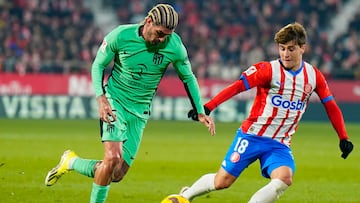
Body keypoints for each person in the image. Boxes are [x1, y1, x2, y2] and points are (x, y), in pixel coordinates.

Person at [44, 4, 215, 203]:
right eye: (160, 33)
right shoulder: (120, 35)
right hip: (114, 101)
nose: (162, 39)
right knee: (112, 158)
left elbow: (188, 77)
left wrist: (200, 111)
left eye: (166, 35)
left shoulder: (174, 46)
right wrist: (101, 98)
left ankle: (71, 161)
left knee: (116, 173)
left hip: (140, 112)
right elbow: (98, 65)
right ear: (148, 21)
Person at [184, 22, 354, 202]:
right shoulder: (268, 70)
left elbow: (331, 106)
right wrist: (207, 107)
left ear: (302, 48)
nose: (285, 54)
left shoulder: (314, 76)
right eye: (282, 49)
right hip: (251, 136)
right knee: (222, 182)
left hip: (279, 144)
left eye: (291, 49)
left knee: (284, 178)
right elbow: (237, 87)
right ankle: (186, 195)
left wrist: (343, 137)